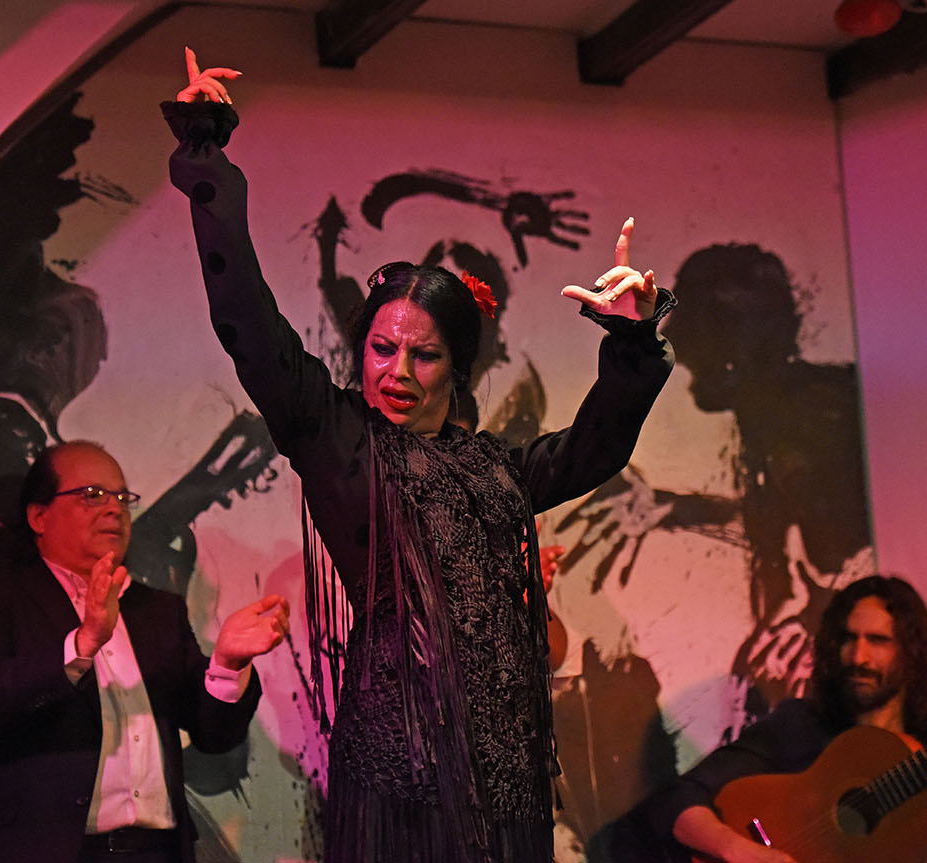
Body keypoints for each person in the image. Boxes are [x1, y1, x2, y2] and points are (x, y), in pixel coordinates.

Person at [162, 49, 675, 863]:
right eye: (380, 348)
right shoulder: (338, 440)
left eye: (423, 354)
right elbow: (247, 324)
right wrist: (206, 155)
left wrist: (633, 342)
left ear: (455, 367)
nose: (397, 371)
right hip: (400, 771)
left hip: (505, 773)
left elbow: (595, 448)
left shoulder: (494, 467)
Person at [0, 441, 289, 863]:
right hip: (38, 849)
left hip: (154, 852)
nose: (115, 510)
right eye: (92, 495)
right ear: (39, 516)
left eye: (122, 498)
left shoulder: (156, 609)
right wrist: (82, 644)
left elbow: (215, 737)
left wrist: (229, 665)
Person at [641, 575, 927, 863]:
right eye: (849, 639)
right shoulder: (801, 727)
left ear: (912, 653)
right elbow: (677, 799)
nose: (858, 657)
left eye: (878, 641)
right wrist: (740, 852)